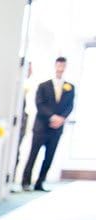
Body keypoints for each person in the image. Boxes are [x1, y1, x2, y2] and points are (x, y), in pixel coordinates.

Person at [22, 56, 75, 192]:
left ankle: (40, 182)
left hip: (57, 129)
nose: (60, 68)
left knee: (49, 157)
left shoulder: (70, 87)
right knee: (33, 155)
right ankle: (25, 182)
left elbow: (69, 106)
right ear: (55, 65)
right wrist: (52, 117)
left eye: (63, 65)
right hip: (41, 126)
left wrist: (61, 118)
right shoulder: (43, 86)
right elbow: (39, 104)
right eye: (58, 65)